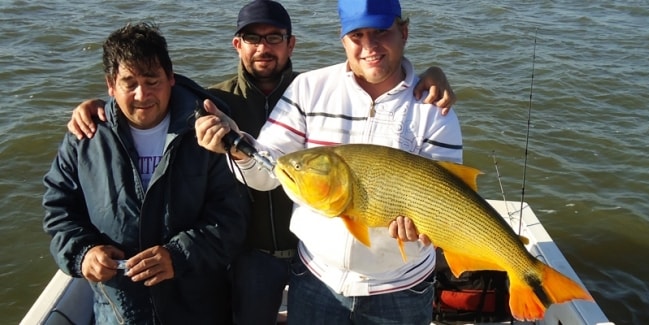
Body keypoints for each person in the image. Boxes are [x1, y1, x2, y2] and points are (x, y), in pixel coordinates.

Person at [65, 1, 455, 324]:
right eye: (253, 38)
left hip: (395, 282)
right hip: (280, 260)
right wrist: (102, 106)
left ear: (291, 44)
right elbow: (163, 89)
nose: (263, 47)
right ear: (237, 44)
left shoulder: (424, 103)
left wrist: (432, 74)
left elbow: (444, 191)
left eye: (274, 38)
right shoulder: (224, 101)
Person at [195, 0, 463, 323]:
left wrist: (424, 231)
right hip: (316, 281)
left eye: (381, 32)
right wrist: (238, 150)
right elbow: (269, 172)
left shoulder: (436, 109)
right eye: (357, 35)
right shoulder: (309, 89)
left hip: (401, 290)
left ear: (404, 32)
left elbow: (450, 201)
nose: (369, 46)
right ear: (342, 38)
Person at [42, 22, 249, 324]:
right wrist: (83, 253)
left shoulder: (207, 135)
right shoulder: (84, 137)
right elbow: (58, 210)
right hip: (118, 310)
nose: (142, 94)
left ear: (171, 79)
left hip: (197, 307)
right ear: (111, 85)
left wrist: (177, 256)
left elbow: (232, 217)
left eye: (153, 81)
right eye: (130, 83)